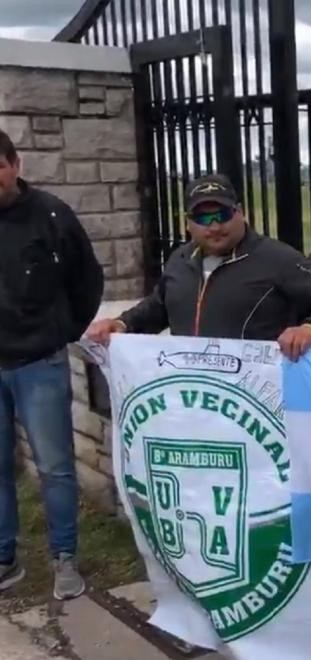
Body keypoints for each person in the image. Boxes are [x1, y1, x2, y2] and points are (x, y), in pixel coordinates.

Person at [85, 174, 311, 360]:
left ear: (239, 212)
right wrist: (122, 323)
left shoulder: (276, 257)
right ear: (188, 223)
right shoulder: (181, 259)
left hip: (257, 402)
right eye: (203, 218)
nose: (214, 227)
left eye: (222, 215)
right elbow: (160, 306)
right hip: (195, 395)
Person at [0, 128, 103, 600]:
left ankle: (64, 558)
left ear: (15, 164)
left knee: (56, 466)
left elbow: (87, 278)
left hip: (40, 361)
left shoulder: (52, 215)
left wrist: (62, 330)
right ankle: (6, 559)